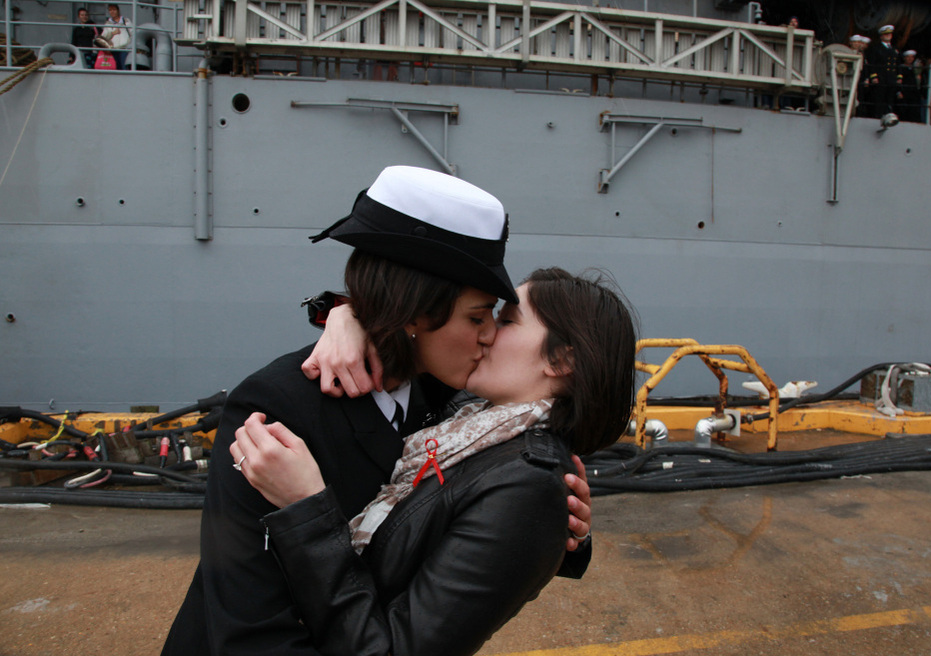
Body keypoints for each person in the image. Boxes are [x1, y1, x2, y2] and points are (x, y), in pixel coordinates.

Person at [162, 166, 595, 655]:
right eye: (477, 317)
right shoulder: (275, 410)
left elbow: (465, 516)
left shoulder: (450, 401)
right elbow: (249, 624)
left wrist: (554, 526)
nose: (490, 334)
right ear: (414, 311)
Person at [231, 266, 637, 656]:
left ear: (561, 360)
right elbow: (414, 331)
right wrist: (348, 315)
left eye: (509, 320)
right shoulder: (470, 424)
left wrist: (307, 508)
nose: (489, 331)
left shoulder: (528, 486)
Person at [866, 24, 902, 123]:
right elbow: (872, 63)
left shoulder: (894, 49)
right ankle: (878, 116)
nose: (888, 36)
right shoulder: (876, 48)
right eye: (886, 34)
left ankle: (889, 115)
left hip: (891, 78)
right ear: (881, 36)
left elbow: (898, 64)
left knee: (890, 98)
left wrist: (899, 77)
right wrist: (874, 76)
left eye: (890, 34)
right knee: (880, 98)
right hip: (881, 77)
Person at [97, 4, 132, 70]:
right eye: (110, 10)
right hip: (113, 50)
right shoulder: (108, 23)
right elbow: (104, 37)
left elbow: (133, 33)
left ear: (118, 10)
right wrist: (113, 33)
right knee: (116, 68)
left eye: (114, 10)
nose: (112, 12)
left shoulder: (126, 21)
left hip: (125, 49)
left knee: (125, 68)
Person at [897, 49, 922, 123]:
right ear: (904, 58)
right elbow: (898, 81)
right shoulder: (900, 68)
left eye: (912, 57)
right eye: (908, 57)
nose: (910, 59)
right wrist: (898, 91)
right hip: (904, 92)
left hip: (913, 93)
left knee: (914, 111)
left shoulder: (914, 69)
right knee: (903, 112)